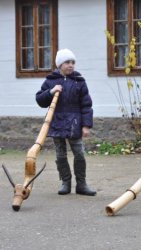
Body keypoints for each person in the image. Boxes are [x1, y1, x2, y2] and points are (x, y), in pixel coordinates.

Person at [36, 48, 96, 196]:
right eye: (67, 62)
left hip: (74, 124)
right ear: (59, 65)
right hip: (56, 123)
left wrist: (86, 125)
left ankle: (81, 184)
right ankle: (65, 182)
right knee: (60, 155)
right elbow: (40, 100)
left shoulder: (79, 81)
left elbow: (86, 105)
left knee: (79, 154)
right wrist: (51, 91)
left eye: (73, 62)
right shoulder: (50, 81)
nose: (71, 65)